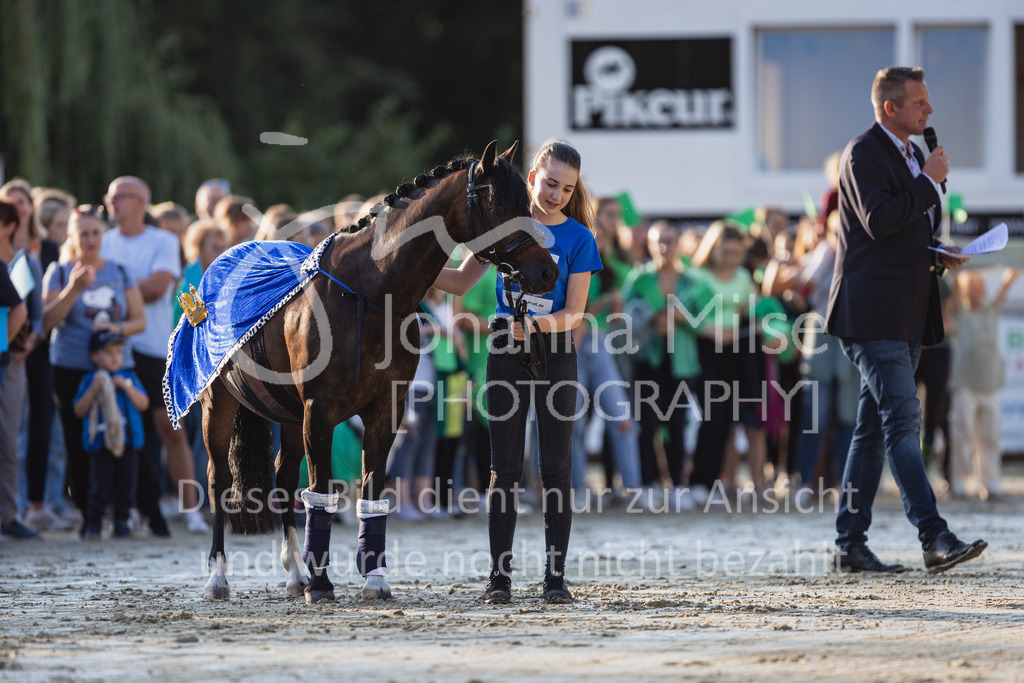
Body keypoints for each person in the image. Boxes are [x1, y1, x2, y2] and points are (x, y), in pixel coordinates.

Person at [825, 66, 985, 574]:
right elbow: (879, 220)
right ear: (891, 108)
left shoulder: (913, 156)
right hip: (871, 313)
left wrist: (939, 254)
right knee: (902, 422)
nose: (930, 111)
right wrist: (927, 182)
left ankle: (850, 544)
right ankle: (934, 536)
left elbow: (904, 234)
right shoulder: (862, 153)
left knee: (873, 431)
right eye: (920, 103)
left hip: (906, 311)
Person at [434, 140, 602, 604]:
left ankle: (555, 579)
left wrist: (536, 325)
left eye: (566, 189)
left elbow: (576, 311)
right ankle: (499, 579)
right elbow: (459, 282)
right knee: (503, 468)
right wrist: (410, 267)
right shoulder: (504, 228)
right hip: (506, 351)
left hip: (556, 354)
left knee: (555, 468)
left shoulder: (580, 239)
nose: (556, 195)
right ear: (532, 177)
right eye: (550, 183)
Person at [100, 176, 206, 533]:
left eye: (121, 197)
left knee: (170, 430)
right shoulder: (102, 240)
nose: (113, 204)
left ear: (141, 201)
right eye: (110, 198)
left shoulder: (162, 240)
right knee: (121, 431)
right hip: (113, 348)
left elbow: (157, 288)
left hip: (154, 346)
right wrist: (126, 289)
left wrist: (115, 289)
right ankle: (125, 508)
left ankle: (190, 510)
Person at [43, 205, 151, 533]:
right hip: (72, 368)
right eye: (83, 234)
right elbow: (46, 323)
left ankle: (122, 513)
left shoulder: (118, 270)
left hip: (119, 368)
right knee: (78, 444)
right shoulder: (60, 272)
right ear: (72, 237)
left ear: (102, 235)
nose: (90, 239)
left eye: (95, 232)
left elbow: (139, 321)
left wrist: (114, 330)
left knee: (123, 441)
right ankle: (89, 518)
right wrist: (73, 290)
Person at [622, 220, 700, 509]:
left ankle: (678, 486)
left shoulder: (691, 279)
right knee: (648, 424)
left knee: (678, 423)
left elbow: (705, 318)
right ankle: (648, 483)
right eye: (659, 241)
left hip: (681, 360)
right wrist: (651, 319)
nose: (665, 246)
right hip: (648, 359)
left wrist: (681, 318)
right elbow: (625, 318)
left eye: (670, 240)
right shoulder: (639, 278)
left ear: (678, 243)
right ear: (651, 245)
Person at [947, 268, 1019, 499]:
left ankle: (990, 481)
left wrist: (1011, 272)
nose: (976, 291)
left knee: (990, 436)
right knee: (963, 433)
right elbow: (955, 284)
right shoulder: (960, 312)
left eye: (980, 287)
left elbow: (1006, 286)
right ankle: (960, 479)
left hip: (990, 385)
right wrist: (956, 272)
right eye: (972, 287)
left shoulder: (992, 310)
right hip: (964, 384)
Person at [74, 329, 148, 538]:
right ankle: (94, 524)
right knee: (100, 485)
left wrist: (126, 387)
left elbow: (144, 403)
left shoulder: (129, 377)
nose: (115, 357)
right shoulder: (91, 379)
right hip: (100, 443)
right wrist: (93, 390)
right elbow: (79, 410)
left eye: (118, 351)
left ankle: (122, 522)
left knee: (126, 485)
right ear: (94, 356)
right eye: (108, 352)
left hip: (129, 442)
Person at [0, 197, 43, 539]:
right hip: (6, 354)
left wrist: (18, 344)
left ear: (9, 225)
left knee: (8, 439)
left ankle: (8, 514)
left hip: (14, 362)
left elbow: (34, 314)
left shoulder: (24, 262)